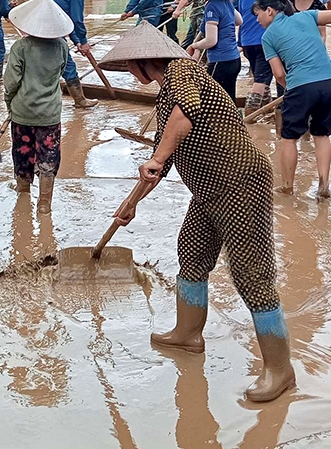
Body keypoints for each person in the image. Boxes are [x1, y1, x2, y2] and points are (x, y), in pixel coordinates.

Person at [99, 23, 295, 403]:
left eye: (129, 67)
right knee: (190, 253)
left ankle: (280, 369)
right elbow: (164, 158)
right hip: (208, 189)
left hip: (239, 182)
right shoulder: (165, 96)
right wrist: (131, 204)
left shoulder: (183, 71)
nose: (130, 75)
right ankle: (188, 334)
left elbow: (184, 116)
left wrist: (155, 158)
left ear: (142, 62)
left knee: (251, 274)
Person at [254, 0, 331, 199]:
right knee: (322, 135)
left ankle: (287, 187)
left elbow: (279, 74)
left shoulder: (268, 37)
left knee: (289, 139)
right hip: (330, 83)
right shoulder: (306, 16)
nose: (257, 19)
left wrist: (293, 88)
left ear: (269, 11)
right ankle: (324, 185)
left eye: (257, 14)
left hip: (301, 86)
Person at [3, 0, 73, 214]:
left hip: (22, 113)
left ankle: (23, 191)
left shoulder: (20, 47)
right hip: (50, 114)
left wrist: (9, 102)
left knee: (22, 153)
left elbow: (11, 82)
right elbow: (60, 72)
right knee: (48, 156)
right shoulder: (62, 47)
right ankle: (44, 203)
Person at [235, 0, 289, 115]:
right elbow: (287, 12)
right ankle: (250, 117)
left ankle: (267, 114)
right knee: (268, 80)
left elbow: (243, 16)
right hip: (270, 41)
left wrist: (240, 42)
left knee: (261, 77)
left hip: (247, 42)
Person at [183, 0, 243, 100]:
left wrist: (194, 46)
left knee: (210, 102)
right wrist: (196, 41)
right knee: (228, 100)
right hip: (234, 60)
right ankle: (235, 121)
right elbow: (239, 21)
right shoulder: (225, 1)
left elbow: (211, 40)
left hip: (220, 62)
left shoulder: (212, 5)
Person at [53, 0, 100, 108]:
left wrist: (77, 42)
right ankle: (80, 101)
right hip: (54, 34)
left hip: (51, 31)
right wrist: (84, 42)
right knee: (68, 66)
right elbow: (77, 21)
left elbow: (68, 22)